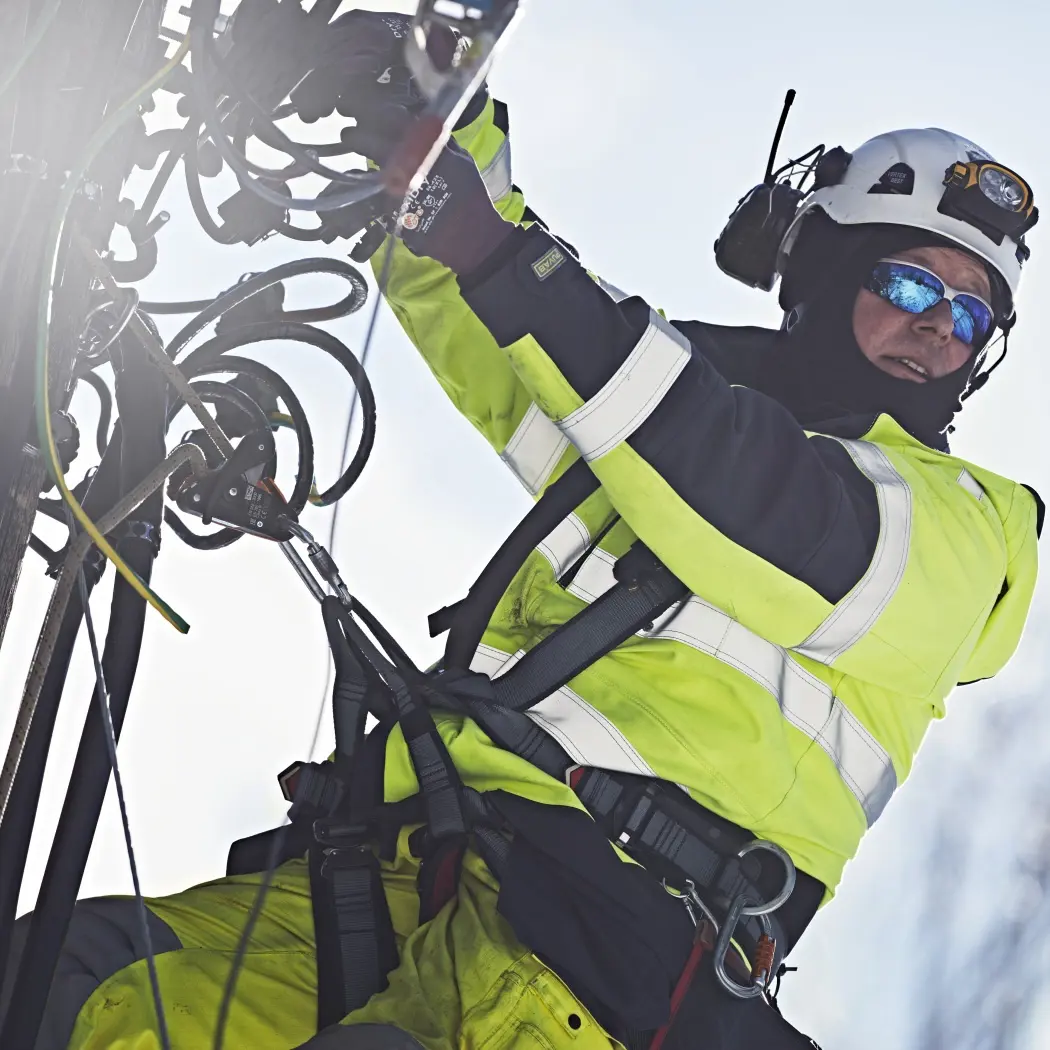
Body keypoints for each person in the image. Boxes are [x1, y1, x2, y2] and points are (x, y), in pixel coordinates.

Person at [7, 11, 1042, 1050]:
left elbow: (753, 494)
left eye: (971, 318)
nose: (934, 328)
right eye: (911, 283)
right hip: (417, 870)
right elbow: (509, 329)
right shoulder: (648, 421)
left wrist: (490, 245)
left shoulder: (978, 534)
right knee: (59, 987)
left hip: (596, 965)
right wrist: (427, 135)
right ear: (821, 275)